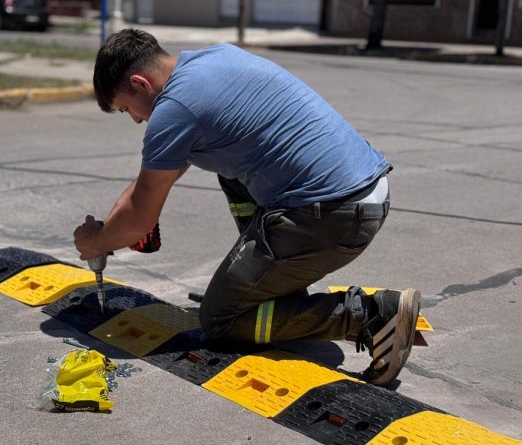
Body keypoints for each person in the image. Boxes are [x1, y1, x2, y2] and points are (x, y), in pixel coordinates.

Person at [74, 28, 421, 386]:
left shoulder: (174, 110)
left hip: (333, 216)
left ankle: (370, 315)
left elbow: (139, 219)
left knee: (221, 320)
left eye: (126, 109)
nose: (135, 119)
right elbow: (146, 188)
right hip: (366, 191)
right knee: (230, 172)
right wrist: (112, 226)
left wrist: (96, 242)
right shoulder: (216, 59)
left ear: (139, 84)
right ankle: (270, 284)